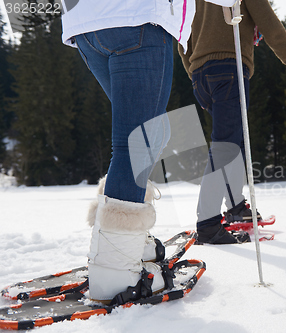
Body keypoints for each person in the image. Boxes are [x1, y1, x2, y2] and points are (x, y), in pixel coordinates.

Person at [60, 0, 195, 303]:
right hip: (138, 20)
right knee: (134, 144)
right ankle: (114, 271)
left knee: (154, 133)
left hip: (85, 26)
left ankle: (121, 240)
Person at [179, 0, 286, 244]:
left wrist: (194, 71)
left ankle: (236, 207)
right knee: (225, 146)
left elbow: (182, 32)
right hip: (228, 67)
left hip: (201, 75)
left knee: (233, 143)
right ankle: (207, 224)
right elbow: (269, 23)